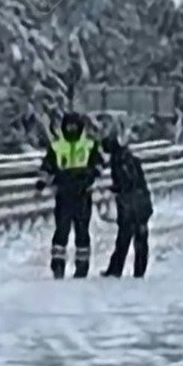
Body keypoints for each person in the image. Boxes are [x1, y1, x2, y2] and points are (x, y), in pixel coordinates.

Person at [37, 112, 104, 279]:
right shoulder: (56, 146)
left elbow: (99, 163)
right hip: (63, 194)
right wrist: (42, 181)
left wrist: (91, 175)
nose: (72, 129)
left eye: (75, 126)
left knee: (82, 232)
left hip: (82, 194)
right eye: (69, 126)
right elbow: (47, 165)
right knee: (61, 230)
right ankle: (58, 264)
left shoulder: (89, 144)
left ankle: (82, 266)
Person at [101, 135, 153, 278]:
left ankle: (121, 270)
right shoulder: (125, 157)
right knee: (134, 237)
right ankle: (133, 270)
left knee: (128, 237)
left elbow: (128, 182)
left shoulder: (121, 160)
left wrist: (116, 188)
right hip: (139, 201)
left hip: (133, 203)